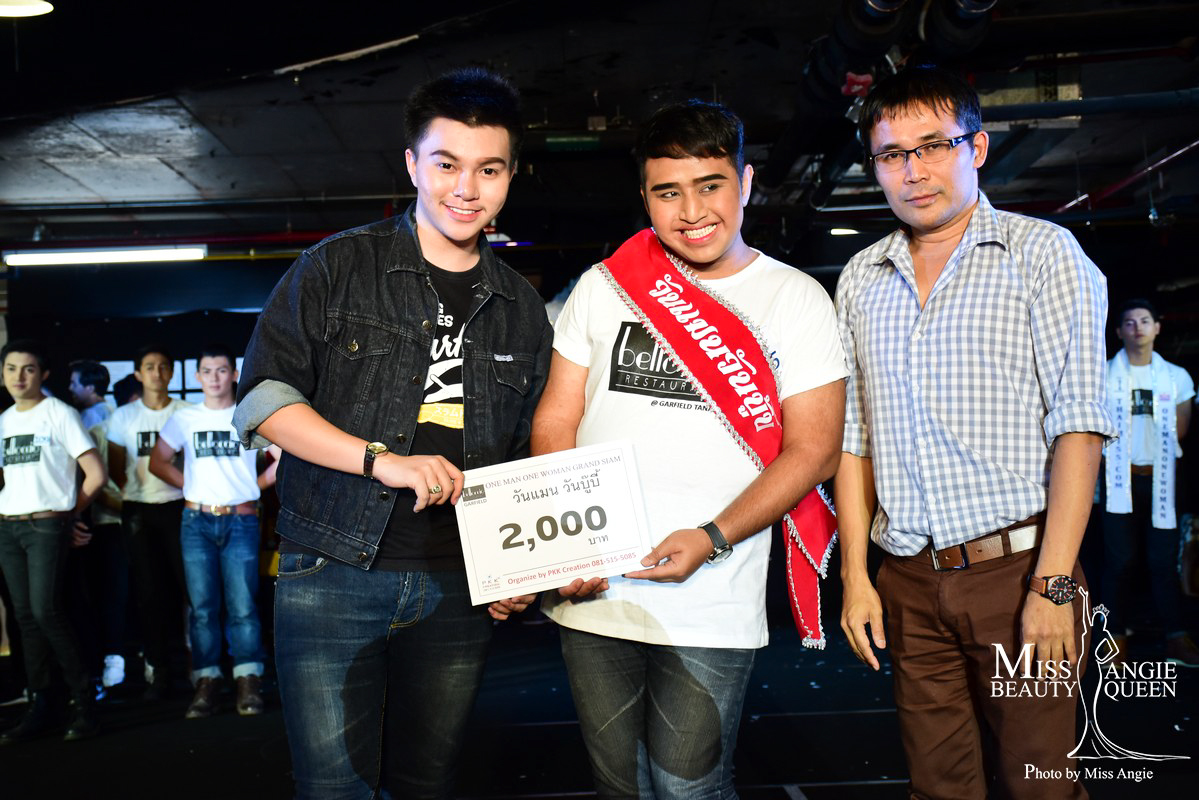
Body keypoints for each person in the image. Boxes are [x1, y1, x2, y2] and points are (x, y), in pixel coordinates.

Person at [233, 68, 552, 799]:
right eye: (446, 164)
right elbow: (263, 400)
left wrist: (520, 569)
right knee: (332, 790)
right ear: (412, 164)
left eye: (489, 169)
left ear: (510, 176)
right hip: (330, 570)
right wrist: (381, 461)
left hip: (458, 583)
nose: (465, 188)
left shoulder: (521, 310)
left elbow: (523, 455)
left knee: (426, 785)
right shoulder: (336, 266)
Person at [532, 100, 846, 799]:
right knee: (618, 790)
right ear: (644, 196)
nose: (692, 211)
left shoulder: (795, 298)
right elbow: (556, 418)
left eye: (710, 185)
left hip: (713, 594)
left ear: (746, 182)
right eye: (668, 192)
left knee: (688, 790)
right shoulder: (604, 286)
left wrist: (711, 536)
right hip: (596, 586)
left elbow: (815, 451)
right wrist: (571, 547)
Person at [836, 66, 1114, 799]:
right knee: (938, 787)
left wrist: (1053, 585)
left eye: (933, 146)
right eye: (892, 154)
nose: (913, 170)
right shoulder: (861, 277)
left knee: (1039, 786)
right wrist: (857, 577)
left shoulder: (1042, 253)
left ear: (978, 147)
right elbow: (854, 440)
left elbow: (1080, 428)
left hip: (1017, 572)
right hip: (907, 577)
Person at [149, 344, 275, 718]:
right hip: (196, 521)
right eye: (207, 371)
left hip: (241, 519)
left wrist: (255, 488)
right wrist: (189, 486)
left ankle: (248, 678)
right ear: (198, 376)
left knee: (243, 605)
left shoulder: (248, 414)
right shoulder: (185, 418)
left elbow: (284, 459)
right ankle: (206, 679)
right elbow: (158, 461)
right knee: (202, 607)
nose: (215, 377)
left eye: (222, 370)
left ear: (234, 374)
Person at [0, 340, 107, 742]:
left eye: (28, 369)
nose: (18, 377)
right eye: (11, 369)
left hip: (47, 525)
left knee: (47, 612)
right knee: (25, 617)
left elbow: (96, 475)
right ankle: (42, 704)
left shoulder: (59, 413)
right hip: (8, 526)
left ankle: (85, 703)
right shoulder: (4, 420)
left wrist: (69, 515)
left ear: (43, 374)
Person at [1102, 298, 1198, 666]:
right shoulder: (1103, 375)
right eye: (1129, 322)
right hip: (1117, 480)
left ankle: (1175, 636)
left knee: (1162, 561)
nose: (1137, 328)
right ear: (1119, 331)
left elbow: (1181, 431)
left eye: (1145, 321)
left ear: (1157, 327)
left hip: (1161, 481)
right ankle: (1115, 637)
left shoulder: (1177, 376)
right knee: (1118, 562)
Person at [105, 345, 191, 699]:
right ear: (138, 374)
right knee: (149, 592)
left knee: (188, 589)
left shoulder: (185, 412)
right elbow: (115, 467)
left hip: (180, 506)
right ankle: (158, 670)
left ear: (171, 372)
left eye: (163, 366)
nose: (157, 373)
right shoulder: (124, 416)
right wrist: (134, 495)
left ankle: (195, 667)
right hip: (139, 509)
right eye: (149, 367)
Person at [67, 359, 128, 690]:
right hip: (114, 519)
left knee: (108, 595)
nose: (70, 389)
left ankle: (111, 663)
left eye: (74, 383)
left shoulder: (92, 422)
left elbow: (96, 480)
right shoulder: (110, 416)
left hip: (106, 522)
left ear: (91, 386)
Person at [68, 360, 113, 430]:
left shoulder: (91, 415)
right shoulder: (110, 409)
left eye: (74, 384)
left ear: (90, 388)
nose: (70, 388)